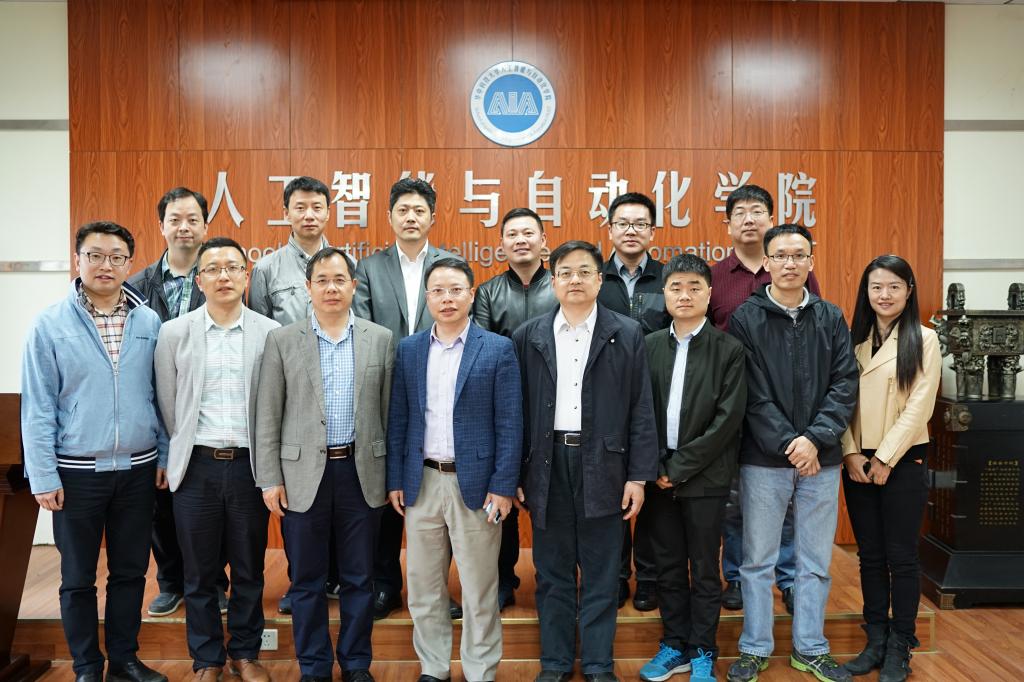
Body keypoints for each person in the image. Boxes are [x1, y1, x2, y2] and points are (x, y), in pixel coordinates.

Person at [22, 222, 168, 682]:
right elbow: (38, 406)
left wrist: (164, 455)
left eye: (117, 257)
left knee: (130, 572)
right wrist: (43, 474)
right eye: (96, 255)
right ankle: (87, 666)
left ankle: (125, 660)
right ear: (78, 259)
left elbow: (161, 396)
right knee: (77, 577)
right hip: (76, 473)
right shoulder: (49, 324)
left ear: (129, 263)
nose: (106, 265)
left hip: (138, 470)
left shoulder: (148, 321)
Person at [513, 240, 658, 682]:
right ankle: (555, 663)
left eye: (583, 272)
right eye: (565, 272)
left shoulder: (626, 333)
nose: (574, 280)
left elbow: (641, 409)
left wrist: (638, 476)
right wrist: (516, 472)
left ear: (599, 280)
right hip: (546, 463)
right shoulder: (529, 336)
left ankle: (597, 664)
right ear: (553, 281)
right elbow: (516, 412)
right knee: (552, 571)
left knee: (602, 572)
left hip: (605, 464)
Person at [725, 225, 858, 682]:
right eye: (780, 255)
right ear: (766, 262)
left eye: (799, 255)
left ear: (810, 262)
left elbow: (845, 383)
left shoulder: (830, 316)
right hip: (764, 459)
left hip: (822, 459)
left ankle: (811, 648)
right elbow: (750, 391)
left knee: (815, 561)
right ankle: (754, 647)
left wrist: (815, 439)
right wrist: (790, 443)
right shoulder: (746, 318)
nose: (790, 263)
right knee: (758, 560)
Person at [255, 247, 394, 682]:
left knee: (359, 577)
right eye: (322, 280)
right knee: (306, 579)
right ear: (308, 287)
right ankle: (314, 666)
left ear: (354, 286)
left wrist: (391, 475)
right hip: (301, 476)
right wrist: (269, 478)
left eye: (339, 280)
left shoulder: (379, 338)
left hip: (361, 472)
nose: (331, 288)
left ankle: (356, 663)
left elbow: (389, 414)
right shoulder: (282, 340)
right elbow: (268, 414)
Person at [386, 258, 522, 682]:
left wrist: (503, 486)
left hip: (476, 485)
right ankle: (434, 667)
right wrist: (396, 479)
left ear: (471, 294)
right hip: (422, 481)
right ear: (427, 297)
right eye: (438, 291)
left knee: (479, 588)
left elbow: (510, 423)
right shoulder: (409, 349)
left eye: (456, 290)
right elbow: (399, 419)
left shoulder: (497, 348)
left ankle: (480, 670)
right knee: (424, 587)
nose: (447, 299)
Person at [154, 237, 278, 681]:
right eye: (213, 269)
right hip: (196, 467)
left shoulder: (270, 332)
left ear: (246, 276)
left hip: (249, 466)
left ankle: (245, 653)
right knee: (199, 572)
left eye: (232, 268)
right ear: (198, 279)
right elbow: (168, 404)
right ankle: (207, 659)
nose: (223, 276)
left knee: (249, 568)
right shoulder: (174, 333)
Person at [353, 177, 462, 620]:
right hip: (383, 393)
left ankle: (437, 589)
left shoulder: (450, 265)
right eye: (403, 210)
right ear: (390, 217)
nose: (411, 217)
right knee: (387, 491)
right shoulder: (369, 268)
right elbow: (362, 328)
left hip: (441, 393)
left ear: (432, 217)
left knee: (438, 495)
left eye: (419, 210)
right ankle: (385, 585)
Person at [710, 184, 821, 614]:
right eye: (740, 212)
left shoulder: (796, 272)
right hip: (733, 408)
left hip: (788, 408)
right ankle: (737, 576)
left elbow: (811, 332)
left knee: (788, 497)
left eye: (757, 210)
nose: (749, 219)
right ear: (728, 224)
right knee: (736, 500)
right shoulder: (715, 277)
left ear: (771, 219)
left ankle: (787, 579)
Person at [638, 255, 747, 682]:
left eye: (694, 287)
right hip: (657, 476)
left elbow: (728, 419)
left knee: (703, 568)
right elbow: (637, 412)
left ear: (709, 293)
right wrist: (656, 466)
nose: (685, 295)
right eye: (676, 287)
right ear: (664, 294)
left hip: (705, 476)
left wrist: (679, 467)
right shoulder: (647, 346)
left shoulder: (729, 349)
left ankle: (703, 649)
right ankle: (673, 645)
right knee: (667, 566)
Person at [841, 256, 940, 682]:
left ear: (909, 290)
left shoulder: (926, 339)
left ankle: (901, 644)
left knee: (901, 557)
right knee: (870, 556)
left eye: (894, 286)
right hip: (857, 462)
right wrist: (849, 453)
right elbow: (840, 401)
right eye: (876, 287)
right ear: (866, 292)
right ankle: (875, 640)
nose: (884, 295)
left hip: (901, 458)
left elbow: (920, 406)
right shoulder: (854, 341)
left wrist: (885, 458)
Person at [128, 186, 223, 619]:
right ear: (161, 226)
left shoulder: (222, 278)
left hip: (209, 407)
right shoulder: (136, 287)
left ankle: (214, 581)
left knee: (212, 503)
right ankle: (170, 581)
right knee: (160, 502)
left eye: (192, 219)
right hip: (154, 407)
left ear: (205, 225)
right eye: (175, 220)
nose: (184, 227)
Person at [248, 175, 335, 614]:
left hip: (337, 389)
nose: (309, 215)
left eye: (317, 206)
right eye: (300, 207)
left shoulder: (343, 264)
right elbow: (262, 333)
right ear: (286, 213)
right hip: (292, 392)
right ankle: (302, 582)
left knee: (338, 490)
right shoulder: (266, 270)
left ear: (328, 212)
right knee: (299, 495)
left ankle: (335, 578)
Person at [471, 206, 557, 609]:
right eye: (512, 234)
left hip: (551, 408)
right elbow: (484, 350)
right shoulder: (488, 292)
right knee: (500, 494)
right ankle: (503, 578)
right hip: (501, 409)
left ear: (544, 241)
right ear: (501, 244)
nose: (521, 240)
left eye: (528, 233)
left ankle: (550, 579)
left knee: (547, 499)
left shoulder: (558, 287)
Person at [596, 192, 669, 612]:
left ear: (652, 232)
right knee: (611, 495)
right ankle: (616, 576)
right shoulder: (594, 277)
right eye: (623, 223)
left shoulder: (668, 277)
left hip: (656, 401)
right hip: (604, 404)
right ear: (610, 229)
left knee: (653, 493)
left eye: (640, 224)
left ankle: (650, 577)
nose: (631, 231)